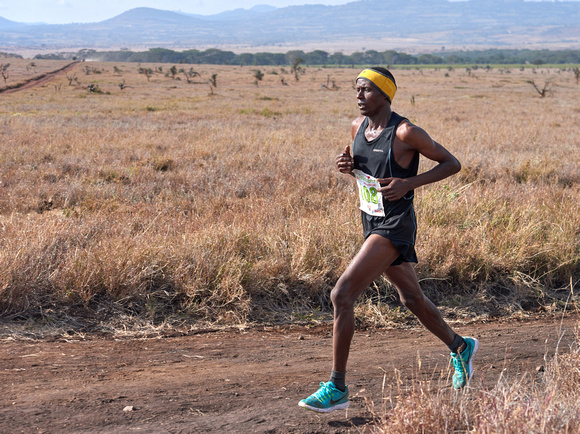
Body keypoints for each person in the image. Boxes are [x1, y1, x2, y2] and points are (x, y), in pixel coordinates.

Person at [298, 67, 479, 413]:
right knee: (411, 298)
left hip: (395, 226)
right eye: (357, 90)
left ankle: (336, 387)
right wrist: (347, 165)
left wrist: (409, 183)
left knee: (342, 294)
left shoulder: (406, 131)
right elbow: (366, 171)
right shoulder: (357, 127)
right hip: (371, 220)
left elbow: (451, 163)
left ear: (384, 94)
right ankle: (460, 347)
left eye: (366, 90)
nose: (359, 96)